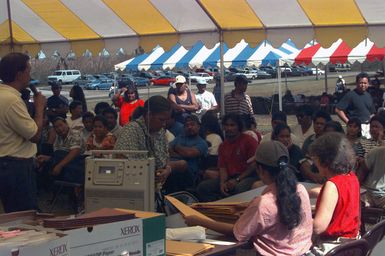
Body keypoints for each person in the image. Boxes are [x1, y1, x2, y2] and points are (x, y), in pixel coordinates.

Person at [185, 141, 313, 256]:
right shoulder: (300, 189)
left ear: (260, 169)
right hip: (303, 251)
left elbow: (237, 233)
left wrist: (199, 221)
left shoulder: (263, 203)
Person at [0, 52, 46, 212]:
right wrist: (40, 108)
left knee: (14, 212)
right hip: (16, 166)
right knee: (24, 215)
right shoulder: (11, 100)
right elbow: (34, 135)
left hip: (6, 163)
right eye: (28, 71)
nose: (30, 75)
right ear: (19, 74)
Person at [114, 95, 187, 194]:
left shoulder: (160, 131)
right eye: (161, 120)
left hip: (155, 190)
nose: (164, 124)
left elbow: (165, 159)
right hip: (133, 190)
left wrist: (167, 169)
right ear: (149, 115)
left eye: (166, 120)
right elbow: (121, 162)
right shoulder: (131, 130)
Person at [308, 132, 360, 254]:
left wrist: (301, 215)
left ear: (325, 161)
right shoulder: (351, 177)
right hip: (352, 243)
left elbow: (318, 227)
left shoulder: (331, 186)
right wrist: (306, 193)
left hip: (334, 247)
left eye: (316, 160)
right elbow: (337, 195)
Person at [196, 114, 258, 202]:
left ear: (239, 126)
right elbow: (223, 168)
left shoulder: (249, 141)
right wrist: (222, 183)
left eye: (232, 125)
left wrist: (237, 179)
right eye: (226, 125)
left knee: (238, 189)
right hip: (230, 177)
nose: (229, 128)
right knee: (203, 188)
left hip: (248, 176)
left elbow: (254, 165)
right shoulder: (223, 146)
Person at [37, 117, 85, 184]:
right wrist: (47, 158)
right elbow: (57, 156)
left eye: (61, 125)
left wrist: (59, 166)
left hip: (77, 163)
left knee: (58, 155)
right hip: (64, 165)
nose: (59, 129)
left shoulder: (75, 133)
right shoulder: (58, 137)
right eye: (56, 127)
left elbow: (75, 152)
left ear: (66, 124)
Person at [169, 115, 208, 188]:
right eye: (187, 125)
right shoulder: (180, 137)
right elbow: (168, 148)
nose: (189, 127)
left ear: (198, 127)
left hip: (189, 174)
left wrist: (176, 147)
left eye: (192, 124)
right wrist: (181, 154)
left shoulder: (202, 143)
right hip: (173, 168)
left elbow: (189, 153)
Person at [335, 72, 375, 139]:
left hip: (368, 127)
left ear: (368, 84)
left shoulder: (369, 95)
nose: (363, 85)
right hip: (356, 128)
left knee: (368, 147)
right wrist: (348, 122)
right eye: (361, 83)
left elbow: (372, 112)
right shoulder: (350, 95)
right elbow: (338, 110)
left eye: (365, 83)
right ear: (356, 83)